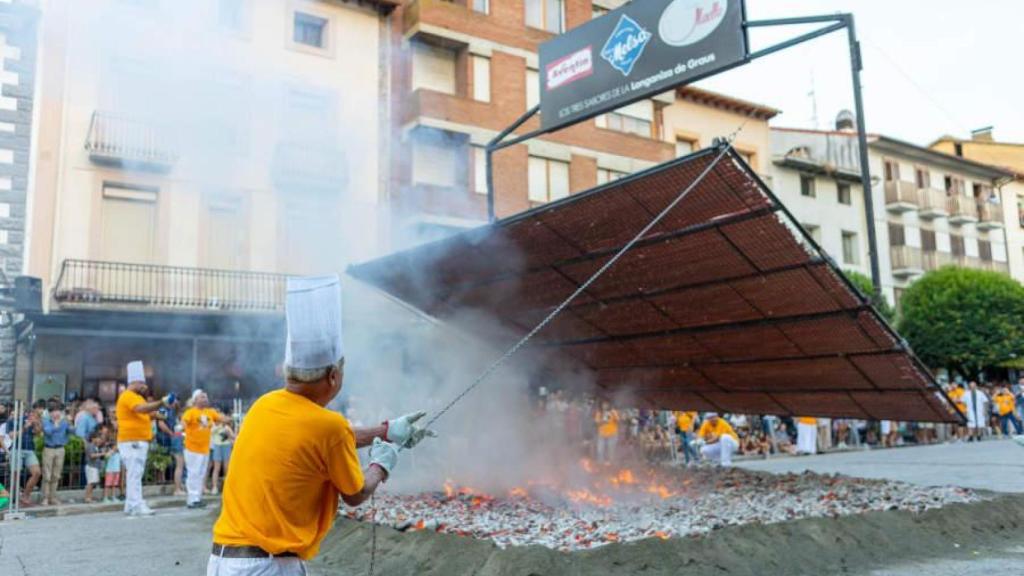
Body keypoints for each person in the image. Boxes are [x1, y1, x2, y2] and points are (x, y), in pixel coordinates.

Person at [208, 275, 436, 575]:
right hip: (267, 566)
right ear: (333, 376)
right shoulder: (329, 425)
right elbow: (355, 494)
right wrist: (381, 465)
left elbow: (319, 440)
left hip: (224, 561)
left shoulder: (264, 405)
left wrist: (386, 431)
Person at [116, 360, 173, 516]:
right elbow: (141, 409)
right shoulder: (128, 396)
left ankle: (130, 505)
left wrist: (162, 411)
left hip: (136, 440)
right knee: (135, 474)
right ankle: (136, 505)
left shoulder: (137, 397)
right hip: (132, 440)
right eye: (142, 383)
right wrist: (161, 402)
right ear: (134, 382)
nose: (145, 386)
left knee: (135, 473)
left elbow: (149, 413)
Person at [181, 389, 231, 509]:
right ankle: (192, 499)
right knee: (193, 473)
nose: (205, 399)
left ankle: (197, 498)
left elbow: (222, 419)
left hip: (205, 448)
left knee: (201, 473)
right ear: (195, 400)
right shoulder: (190, 412)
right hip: (192, 448)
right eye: (202, 397)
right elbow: (184, 422)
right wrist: (181, 427)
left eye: (206, 397)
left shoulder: (210, 412)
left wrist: (230, 418)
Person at [41, 403, 70, 506]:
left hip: (60, 449)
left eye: (58, 411)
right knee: (47, 475)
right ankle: (45, 498)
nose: (56, 413)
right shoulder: (46, 421)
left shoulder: (64, 422)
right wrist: (56, 424)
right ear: (50, 413)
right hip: (49, 449)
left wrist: (70, 422)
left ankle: (53, 497)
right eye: (54, 411)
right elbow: (48, 432)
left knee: (56, 475)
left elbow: (72, 431)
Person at [155, 397, 185, 496]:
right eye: (175, 401)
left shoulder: (173, 411)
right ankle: (163, 482)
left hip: (172, 439)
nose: (176, 403)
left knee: (175, 463)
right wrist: (171, 433)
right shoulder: (162, 409)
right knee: (163, 462)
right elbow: (161, 424)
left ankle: (176, 486)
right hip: (164, 439)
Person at [15, 401, 43, 506]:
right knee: (15, 475)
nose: (32, 416)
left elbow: (38, 434)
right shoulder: (17, 420)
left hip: (30, 449)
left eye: (34, 414)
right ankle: (14, 499)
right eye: (31, 414)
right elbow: (12, 435)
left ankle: (25, 496)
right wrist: (25, 426)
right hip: (16, 449)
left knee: (37, 473)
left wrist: (36, 424)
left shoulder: (34, 422)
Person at [209, 416, 236, 495]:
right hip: (217, 446)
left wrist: (229, 434)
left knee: (226, 468)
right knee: (216, 467)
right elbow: (211, 432)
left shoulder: (227, 428)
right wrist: (220, 426)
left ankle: (227, 487)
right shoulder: (215, 427)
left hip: (226, 446)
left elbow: (233, 437)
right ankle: (214, 487)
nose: (223, 420)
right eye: (222, 419)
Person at [84, 430, 106, 503]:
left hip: (94, 466)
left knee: (92, 483)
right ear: (93, 438)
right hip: (91, 466)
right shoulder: (90, 446)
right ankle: (87, 498)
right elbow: (92, 455)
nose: (98, 439)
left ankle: (90, 497)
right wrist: (101, 454)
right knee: (90, 483)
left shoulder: (95, 446)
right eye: (97, 438)